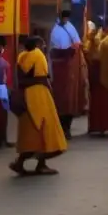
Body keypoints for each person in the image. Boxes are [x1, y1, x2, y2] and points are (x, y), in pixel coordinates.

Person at [10, 36, 67, 176]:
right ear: (36, 45)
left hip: (25, 95)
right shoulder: (37, 55)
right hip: (39, 95)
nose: (44, 46)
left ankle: (20, 162)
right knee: (45, 128)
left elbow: (21, 77)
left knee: (30, 129)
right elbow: (42, 76)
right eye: (42, 44)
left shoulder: (21, 56)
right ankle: (41, 164)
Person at [49, 10, 86, 137]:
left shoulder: (70, 27)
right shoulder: (55, 30)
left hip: (72, 68)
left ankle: (67, 128)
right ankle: (61, 128)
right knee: (61, 98)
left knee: (71, 98)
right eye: (64, 17)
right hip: (60, 69)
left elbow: (78, 43)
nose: (66, 20)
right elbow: (55, 50)